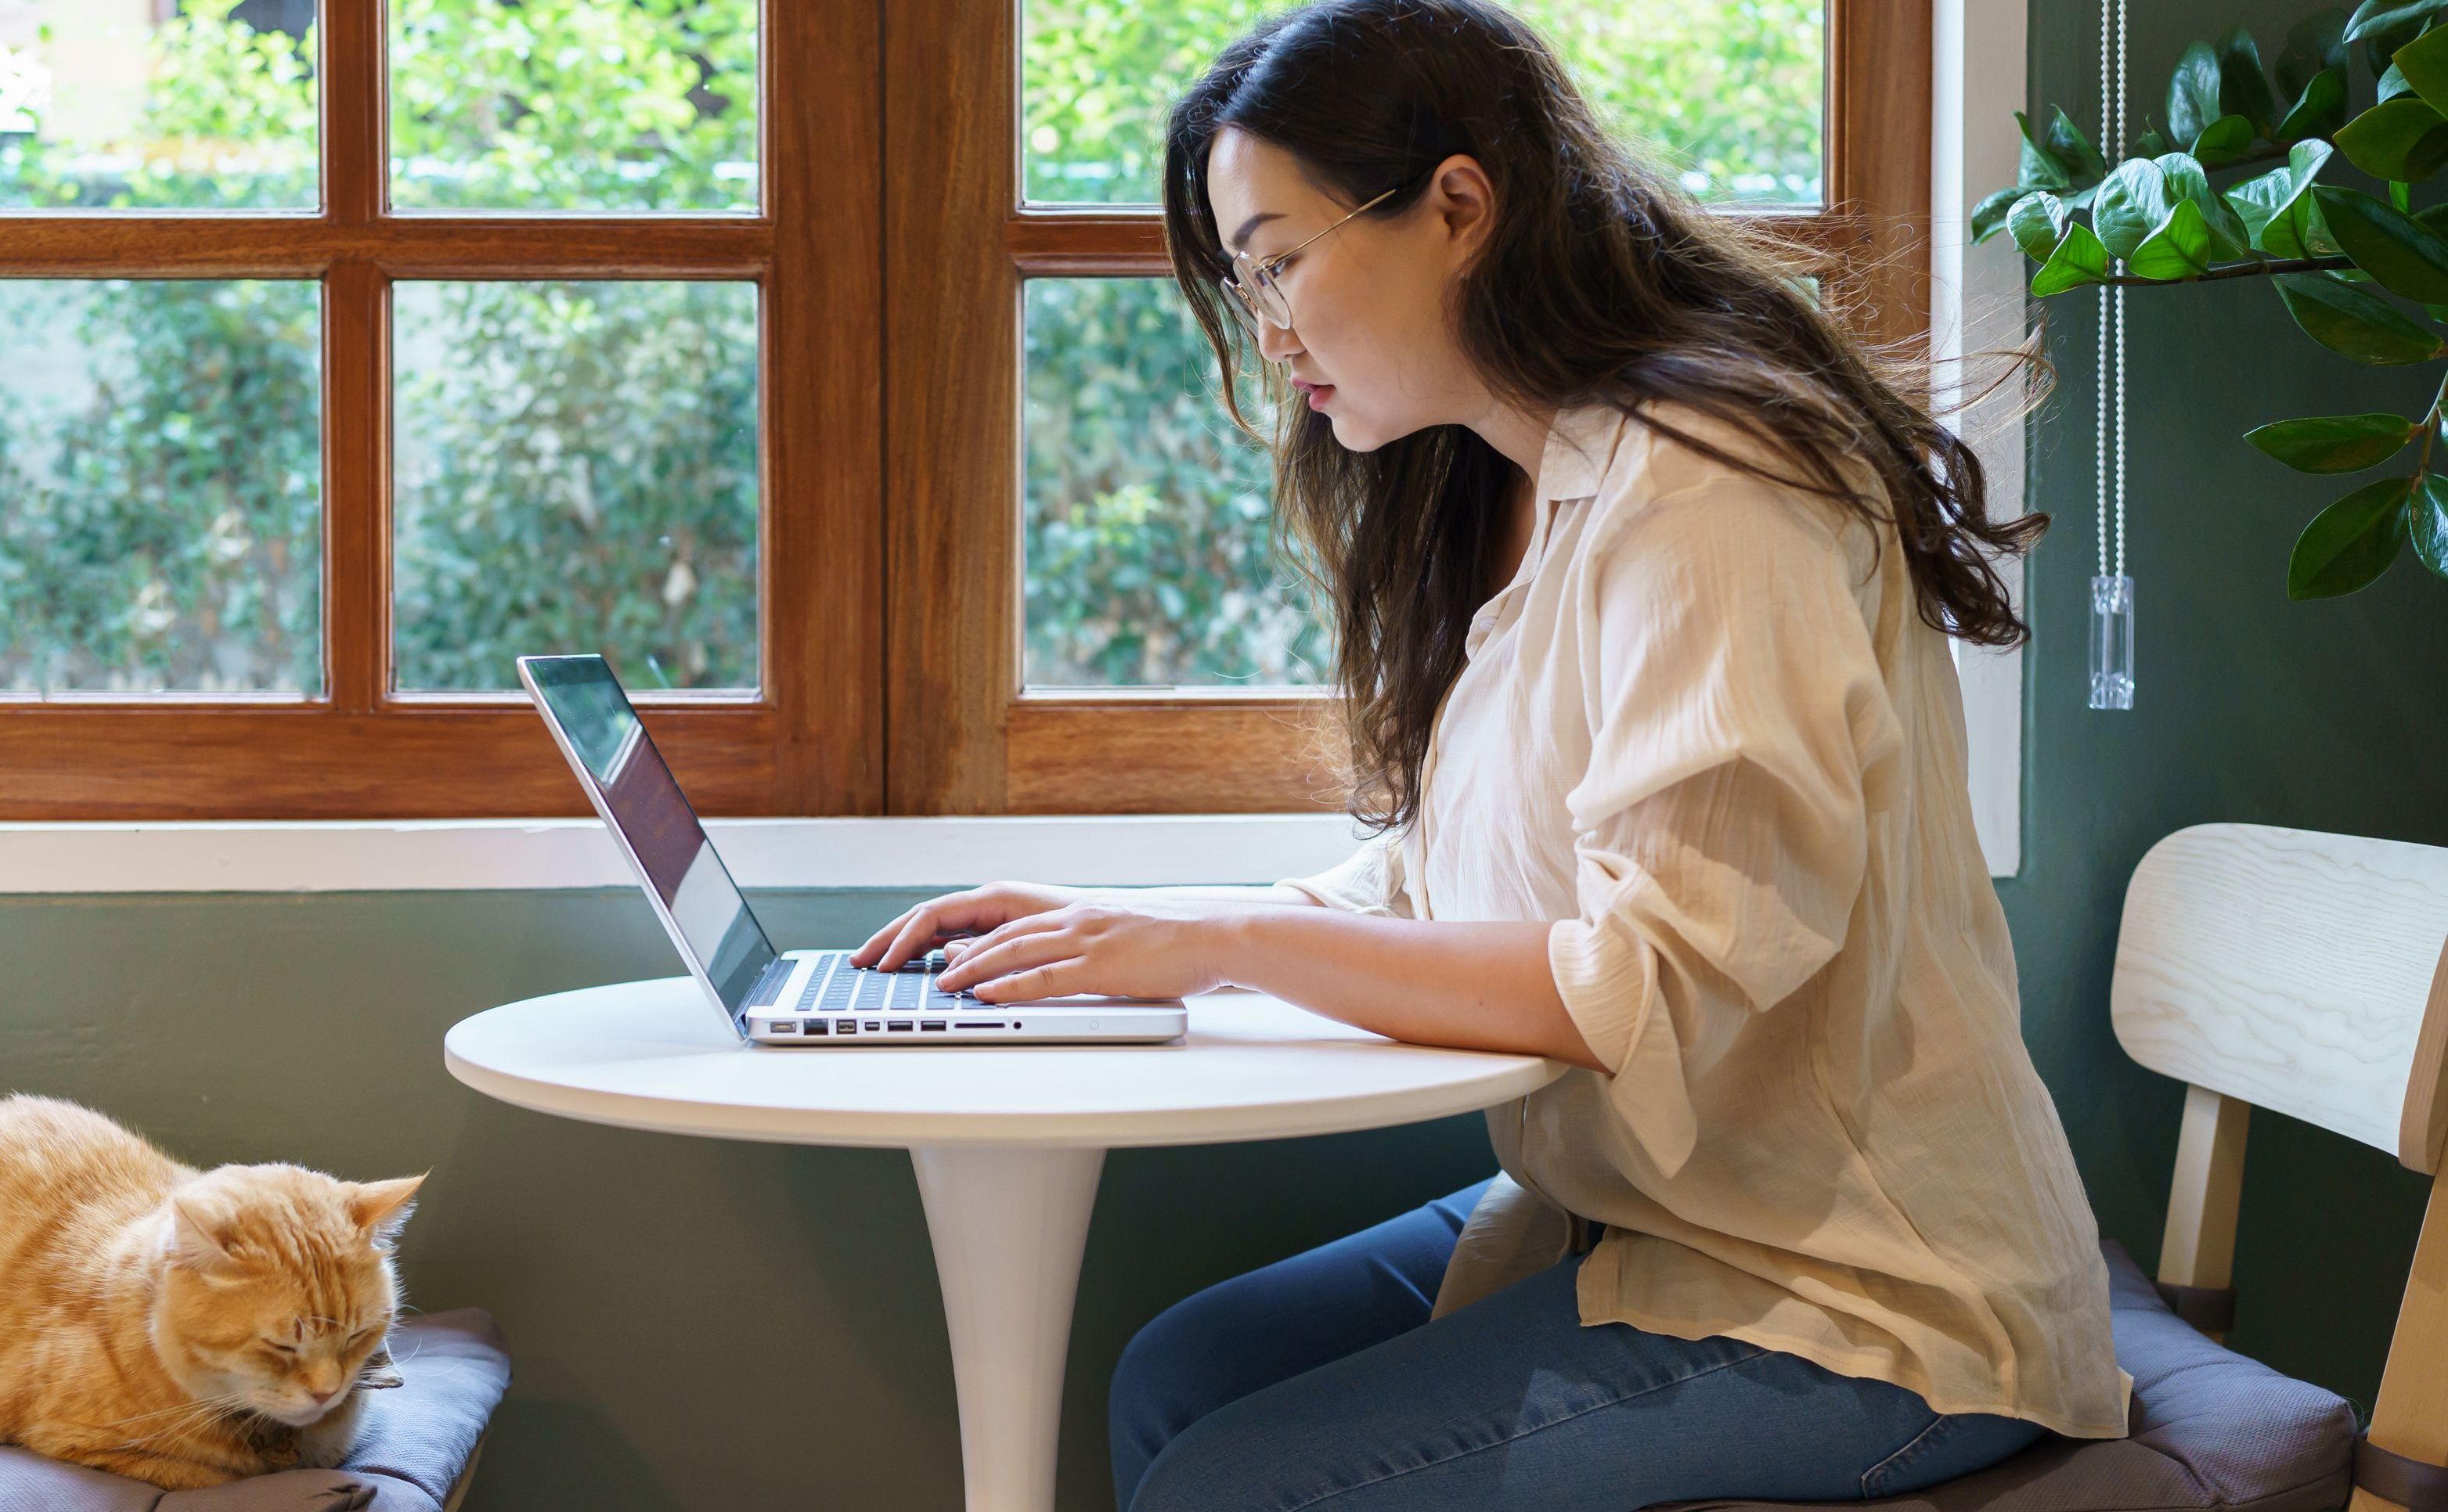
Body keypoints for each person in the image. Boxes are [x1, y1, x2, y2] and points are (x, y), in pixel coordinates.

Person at [849, 2, 2127, 1507]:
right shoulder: (1526, 483)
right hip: (1653, 1222)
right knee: (1175, 1378)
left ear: (1458, 207)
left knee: (1229, 1484)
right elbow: (1452, 866)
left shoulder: (1714, 487)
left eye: (1280, 260)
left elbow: (1659, 979)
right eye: (1245, 279)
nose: (1267, 330)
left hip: (1868, 1302)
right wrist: (1123, 932)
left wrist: (1221, 943)